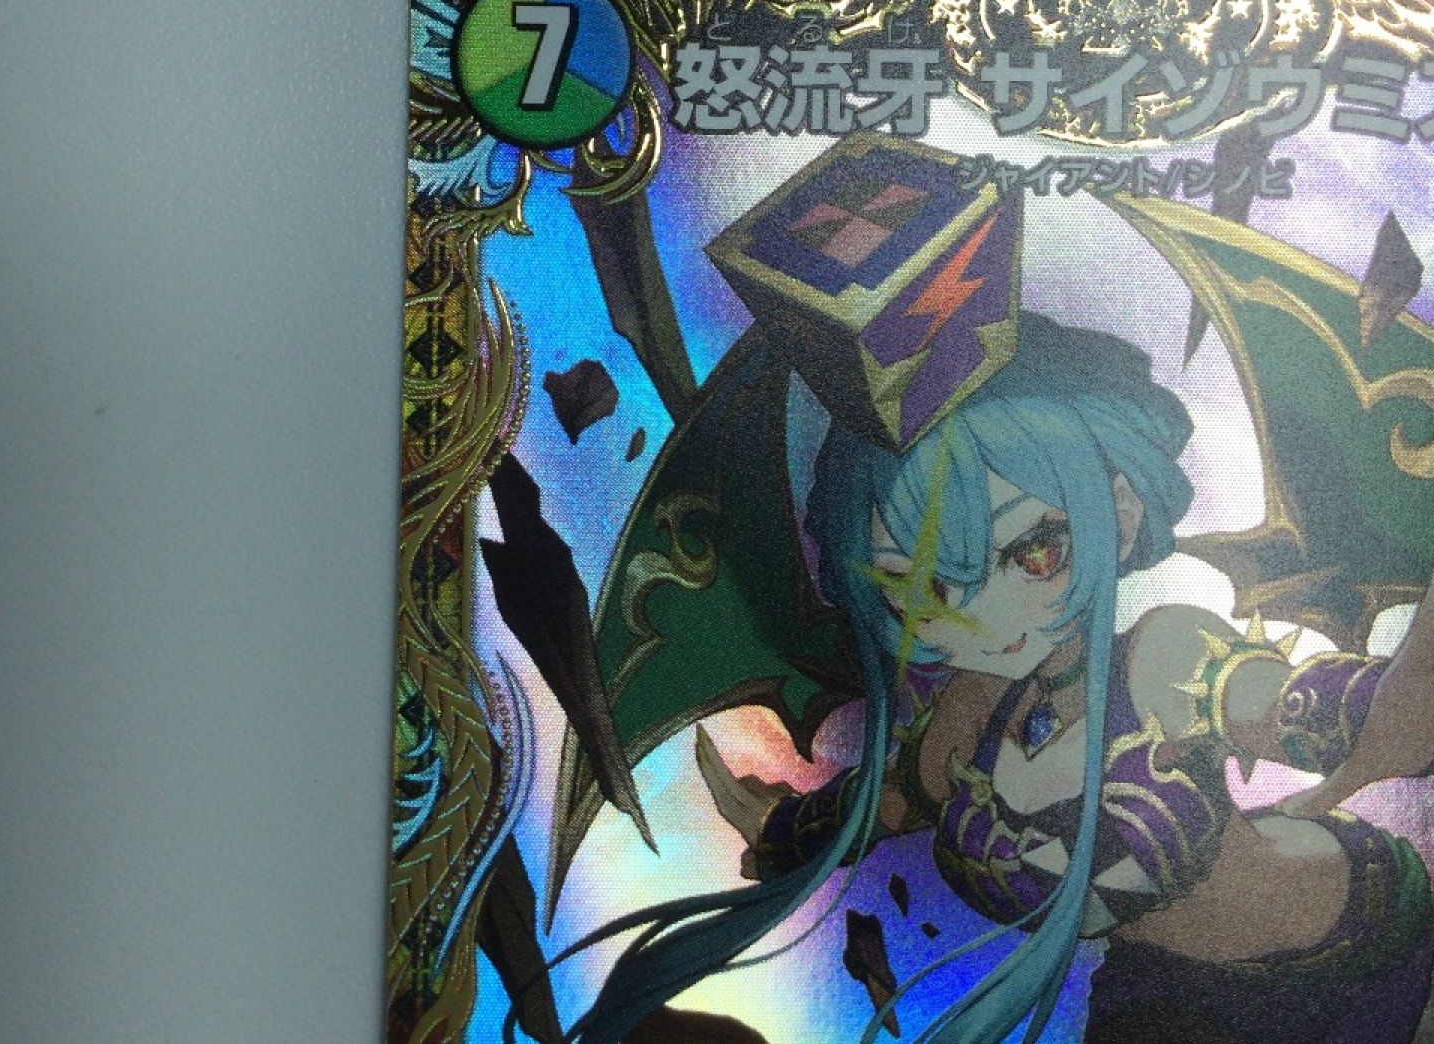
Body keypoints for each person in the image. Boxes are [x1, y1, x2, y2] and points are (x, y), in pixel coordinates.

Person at [566, 313, 1434, 1044]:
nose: (980, 619)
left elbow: (1348, 713)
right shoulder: (954, 731)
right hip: (1164, 1007)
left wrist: (1381, 705)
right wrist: (783, 825)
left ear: (1119, 509)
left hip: (1361, 939)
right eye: (919, 592)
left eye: (1033, 550)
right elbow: (872, 811)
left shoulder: (1165, 663)